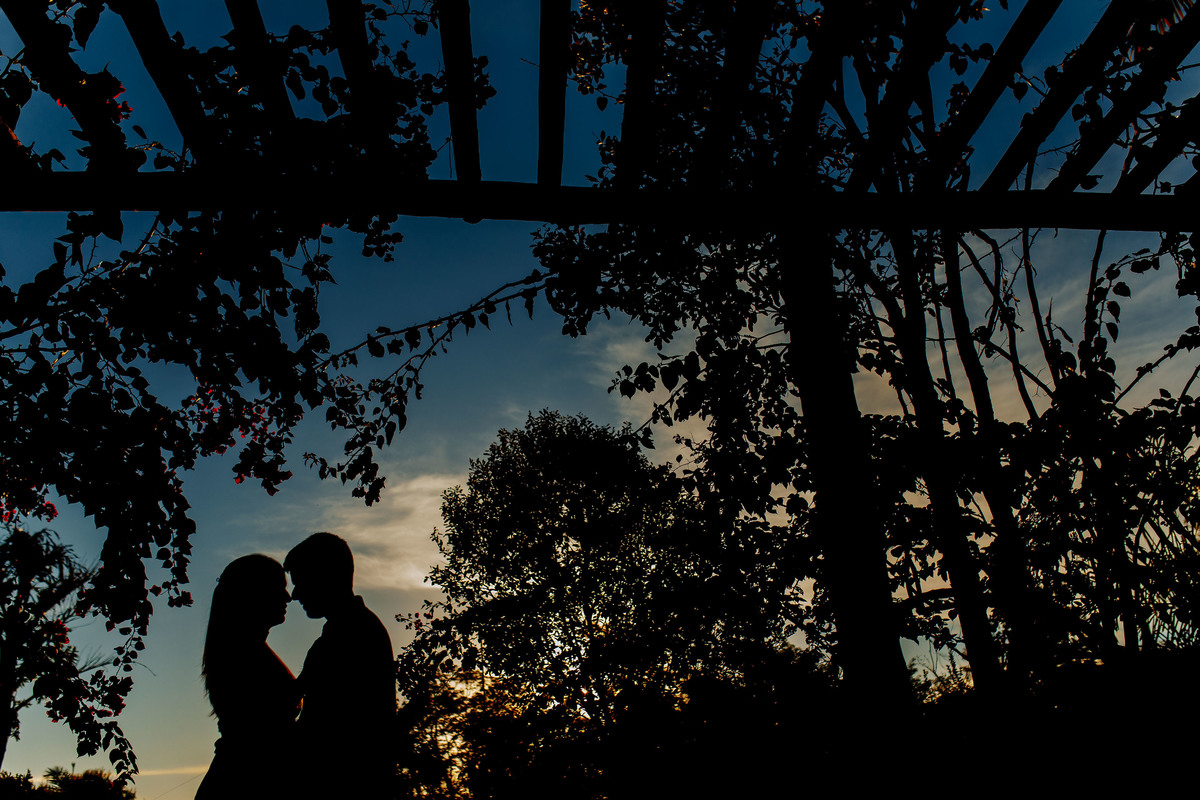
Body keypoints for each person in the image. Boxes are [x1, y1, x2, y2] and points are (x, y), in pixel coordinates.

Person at [285, 532, 396, 797]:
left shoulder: (356, 634)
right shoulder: (343, 632)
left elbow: (331, 729)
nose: (295, 595)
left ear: (326, 577)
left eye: (301, 582)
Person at [195, 554, 299, 800]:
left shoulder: (245, 651)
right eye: (279, 588)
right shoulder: (240, 656)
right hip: (242, 784)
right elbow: (262, 731)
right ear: (255, 593)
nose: (288, 597)